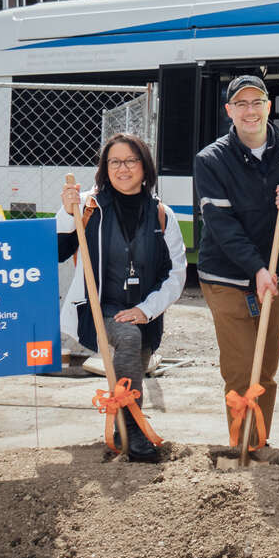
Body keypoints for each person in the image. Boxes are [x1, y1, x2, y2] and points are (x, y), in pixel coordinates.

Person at [193, 75, 279, 450]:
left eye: (257, 102)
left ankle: (259, 442)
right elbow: (222, 226)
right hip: (225, 277)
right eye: (241, 104)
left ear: (269, 106)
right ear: (229, 111)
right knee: (242, 369)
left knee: (265, 369)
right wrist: (257, 269)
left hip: (275, 274)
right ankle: (241, 443)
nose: (250, 110)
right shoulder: (211, 160)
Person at [58, 133, 187, 462]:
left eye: (131, 160)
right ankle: (135, 434)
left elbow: (176, 275)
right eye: (115, 161)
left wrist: (146, 310)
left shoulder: (162, 215)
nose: (123, 168)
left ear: (145, 167)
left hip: (145, 311)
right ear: (105, 168)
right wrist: (65, 211)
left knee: (133, 371)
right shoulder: (88, 207)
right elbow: (59, 250)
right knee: (127, 339)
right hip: (100, 307)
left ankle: (123, 429)